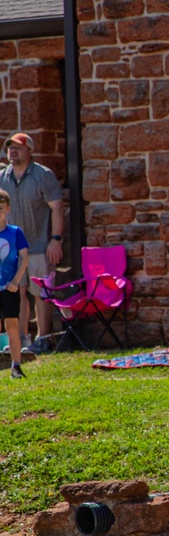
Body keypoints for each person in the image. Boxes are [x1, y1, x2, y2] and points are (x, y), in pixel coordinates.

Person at [0, 133, 64, 355]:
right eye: (10, 147)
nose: (13, 150)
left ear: (30, 151)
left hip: (39, 245)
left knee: (41, 293)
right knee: (16, 292)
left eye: (18, 147)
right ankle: (21, 338)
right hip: (10, 250)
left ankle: (44, 338)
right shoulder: (2, 178)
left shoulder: (42, 175)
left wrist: (55, 240)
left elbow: (57, 207)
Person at [0, 189, 30, 378]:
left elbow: (24, 258)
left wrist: (16, 280)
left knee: (12, 324)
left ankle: (16, 365)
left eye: (1, 208)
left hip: (9, 287)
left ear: (8, 209)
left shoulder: (15, 232)